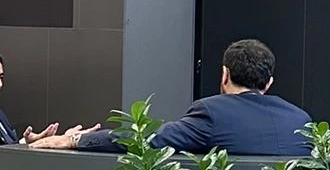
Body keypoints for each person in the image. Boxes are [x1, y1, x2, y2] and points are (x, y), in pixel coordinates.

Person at [33, 39, 313, 156]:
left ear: (224, 75)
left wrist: (75, 139)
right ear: (269, 82)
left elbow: (147, 140)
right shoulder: (300, 120)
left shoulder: (213, 113)